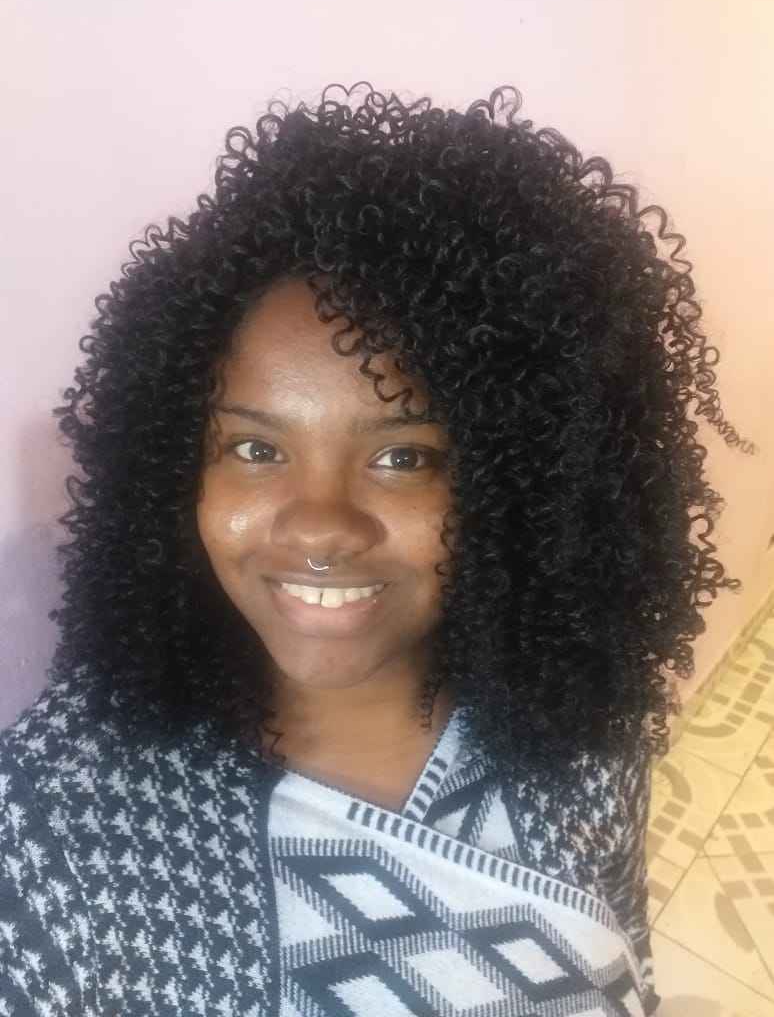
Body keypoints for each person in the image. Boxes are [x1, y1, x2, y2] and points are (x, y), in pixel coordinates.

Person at [0, 82, 754, 1016]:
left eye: (405, 457)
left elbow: (624, 959)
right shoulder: (54, 831)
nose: (320, 524)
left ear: (524, 488)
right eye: (255, 449)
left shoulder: (577, 729)